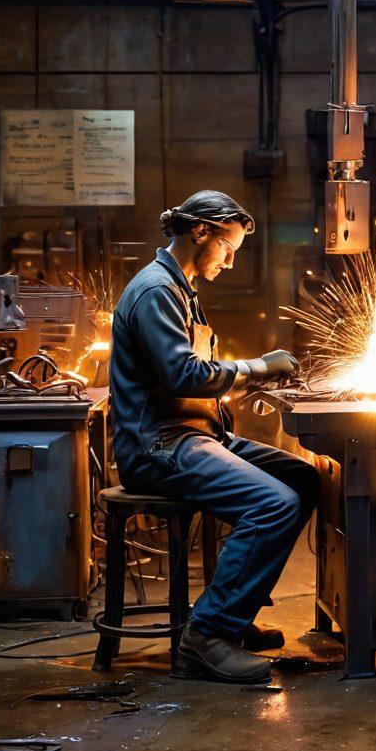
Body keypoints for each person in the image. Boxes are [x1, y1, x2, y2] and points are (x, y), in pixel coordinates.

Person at [110, 190, 320, 685]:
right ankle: (205, 639)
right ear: (200, 231)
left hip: (196, 434)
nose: (230, 260)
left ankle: (235, 611)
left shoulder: (183, 290)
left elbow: (196, 378)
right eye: (229, 247)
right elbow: (182, 374)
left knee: (303, 479)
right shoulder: (156, 291)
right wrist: (255, 367)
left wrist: (255, 382)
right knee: (274, 504)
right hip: (157, 446)